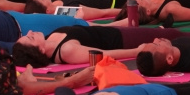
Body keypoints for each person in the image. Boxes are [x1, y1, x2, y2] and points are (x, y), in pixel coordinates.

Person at [11, 25, 181, 67]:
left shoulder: (49, 39)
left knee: (172, 32)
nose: (31, 31)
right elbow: (103, 54)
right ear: (40, 50)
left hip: (115, 31)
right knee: (176, 35)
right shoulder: (66, 51)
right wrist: (136, 50)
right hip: (122, 39)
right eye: (30, 38)